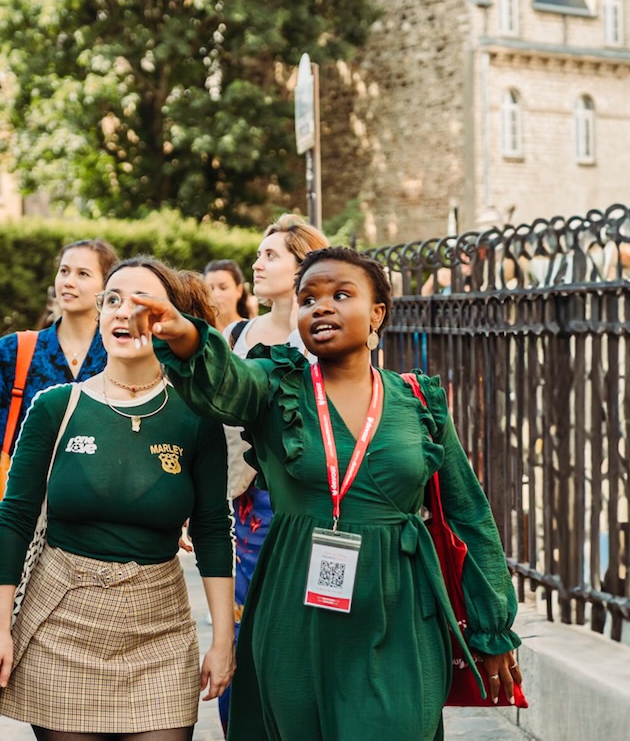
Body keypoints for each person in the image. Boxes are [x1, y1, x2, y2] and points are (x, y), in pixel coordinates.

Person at [132, 246, 522, 740]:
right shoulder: (275, 385)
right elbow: (225, 382)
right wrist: (186, 337)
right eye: (308, 298)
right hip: (296, 607)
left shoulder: (417, 400)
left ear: (377, 313)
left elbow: (468, 515)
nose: (321, 307)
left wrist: (492, 629)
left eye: (341, 295)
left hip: (400, 611)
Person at [0, 257, 236, 741]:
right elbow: (14, 520)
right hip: (61, 628)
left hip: (160, 630)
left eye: (140, 302)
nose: (122, 311)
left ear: (170, 320)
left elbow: (213, 529)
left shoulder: (196, 417)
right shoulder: (56, 407)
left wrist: (223, 642)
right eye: (112, 299)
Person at [215, 215, 328, 731]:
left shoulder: (326, 334)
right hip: (249, 506)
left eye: (270, 256)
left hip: (314, 503)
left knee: (309, 631)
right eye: (258, 255)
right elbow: (211, 427)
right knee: (247, 631)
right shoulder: (236, 335)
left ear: (302, 267)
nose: (257, 265)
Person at [0, 239, 118, 571]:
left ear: (106, 287)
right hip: (25, 510)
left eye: (83, 274)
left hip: (102, 512)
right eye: (64, 271)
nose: (69, 281)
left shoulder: (118, 350)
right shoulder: (17, 349)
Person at [203, 259, 251, 330]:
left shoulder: (251, 329)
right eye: (211, 288)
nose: (215, 294)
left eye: (223, 288)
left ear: (239, 290)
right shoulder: (200, 331)